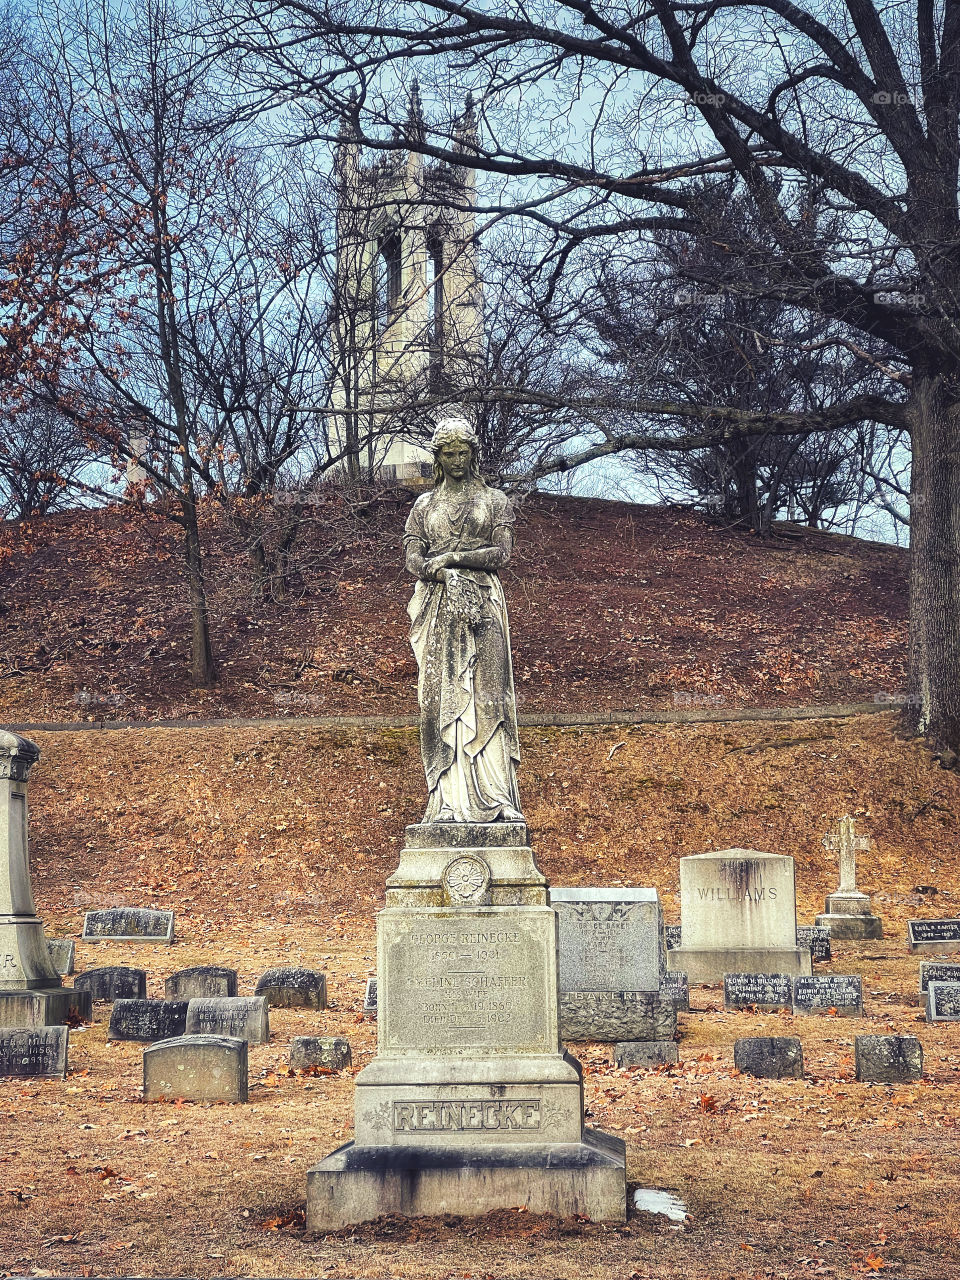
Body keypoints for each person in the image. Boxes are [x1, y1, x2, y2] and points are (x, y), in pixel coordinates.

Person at [403, 419, 523, 823]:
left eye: (462, 452)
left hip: (484, 604)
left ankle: (495, 796)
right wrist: (441, 573)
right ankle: (448, 802)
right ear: (437, 457)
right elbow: (412, 560)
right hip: (438, 607)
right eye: (447, 453)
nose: (456, 460)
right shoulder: (424, 507)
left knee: (488, 694)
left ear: (473, 452)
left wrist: (454, 559)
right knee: (440, 699)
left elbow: (502, 555)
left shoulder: (495, 500)